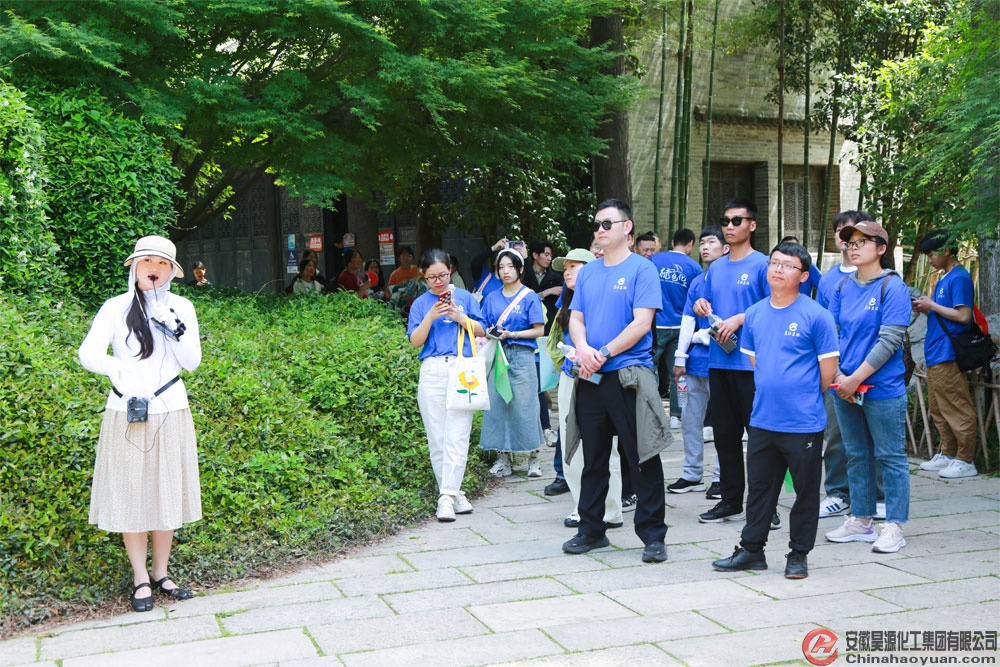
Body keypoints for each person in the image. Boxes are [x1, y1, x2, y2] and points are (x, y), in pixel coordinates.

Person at [78, 236, 202, 612]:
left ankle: (162, 572)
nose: (154, 268)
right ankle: (140, 577)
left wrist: (171, 324)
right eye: (148, 261)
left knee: (166, 493)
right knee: (131, 496)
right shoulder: (115, 307)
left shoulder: (182, 306)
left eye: (163, 263)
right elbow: (88, 353)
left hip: (171, 410)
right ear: (135, 267)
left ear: (172, 272)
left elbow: (192, 362)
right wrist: (115, 367)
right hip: (126, 412)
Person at [711, 243, 839, 579]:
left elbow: (827, 373)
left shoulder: (817, 316)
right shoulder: (754, 313)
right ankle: (752, 549)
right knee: (760, 489)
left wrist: (799, 393)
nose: (778, 269)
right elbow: (757, 362)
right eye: (774, 263)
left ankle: (798, 553)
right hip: (763, 418)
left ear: (804, 276)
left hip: (803, 421)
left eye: (787, 265)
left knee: (805, 491)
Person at [563, 198, 670, 564]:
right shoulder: (589, 273)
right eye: (596, 224)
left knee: (642, 456)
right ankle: (591, 530)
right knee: (593, 457)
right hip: (591, 376)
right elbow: (576, 318)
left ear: (627, 228)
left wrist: (604, 352)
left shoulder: (643, 269)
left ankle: (653, 536)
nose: (600, 230)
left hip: (628, 376)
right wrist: (583, 349)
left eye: (607, 224)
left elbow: (642, 323)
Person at [825, 218, 911, 553]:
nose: (854, 248)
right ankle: (861, 520)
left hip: (881, 388)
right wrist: (837, 377)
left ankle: (895, 526)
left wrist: (854, 378)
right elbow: (831, 333)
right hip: (844, 385)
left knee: (890, 456)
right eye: (851, 242)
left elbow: (889, 340)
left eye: (862, 242)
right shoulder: (843, 287)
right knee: (856, 454)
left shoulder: (893, 287)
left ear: (881, 248)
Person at [693, 198, 770, 524]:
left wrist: (740, 318)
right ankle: (730, 501)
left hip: (751, 365)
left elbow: (774, 307)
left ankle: (765, 507)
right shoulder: (716, 268)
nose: (729, 226)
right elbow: (709, 305)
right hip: (718, 361)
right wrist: (701, 304)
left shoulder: (764, 264)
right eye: (725, 221)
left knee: (761, 439)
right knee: (725, 437)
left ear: (752, 225)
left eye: (737, 220)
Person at [545, 249, 624, 529]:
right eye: (565, 268)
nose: (567, 272)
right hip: (572, 376)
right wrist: (565, 359)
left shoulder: (604, 298)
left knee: (605, 445)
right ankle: (582, 506)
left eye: (574, 267)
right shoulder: (565, 303)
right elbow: (554, 339)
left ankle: (611, 510)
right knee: (571, 442)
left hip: (601, 376)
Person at [815, 211, 885, 520]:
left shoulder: (883, 279)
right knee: (836, 435)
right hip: (837, 371)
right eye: (842, 232)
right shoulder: (829, 279)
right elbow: (823, 327)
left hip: (873, 372)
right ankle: (838, 493)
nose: (849, 241)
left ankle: (878, 496)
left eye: (857, 235)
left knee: (875, 437)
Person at [407, 249, 486, 522]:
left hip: (462, 369)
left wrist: (459, 317)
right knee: (438, 438)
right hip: (432, 371)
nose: (438, 281)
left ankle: (445, 498)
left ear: (451, 269)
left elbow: (482, 330)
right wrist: (430, 316)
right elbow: (415, 341)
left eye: (442, 275)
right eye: (432, 277)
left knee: (458, 436)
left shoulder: (464, 298)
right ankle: (454, 494)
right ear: (423, 276)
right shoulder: (420, 304)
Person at [914, 230, 979, 479]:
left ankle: (966, 460)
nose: (930, 260)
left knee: (956, 406)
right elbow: (944, 314)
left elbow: (963, 315)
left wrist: (931, 305)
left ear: (946, 251)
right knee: (939, 408)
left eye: (931, 254)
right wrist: (926, 309)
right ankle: (948, 453)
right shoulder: (944, 278)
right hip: (935, 351)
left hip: (948, 352)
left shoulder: (959, 278)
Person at [669, 226, 729, 496]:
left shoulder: (731, 280)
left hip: (724, 362)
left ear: (725, 248)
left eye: (711, 242)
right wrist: (680, 356)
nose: (705, 247)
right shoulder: (697, 281)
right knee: (690, 421)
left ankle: (721, 477)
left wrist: (703, 335)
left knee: (724, 424)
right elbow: (687, 321)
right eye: (702, 242)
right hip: (694, 363)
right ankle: (692, 474)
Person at [479, 249, 547, 478]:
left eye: (510, 266)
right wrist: (491, 331)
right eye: (501, 267)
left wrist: (513, 334)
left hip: (523, 356)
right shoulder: (491, 298)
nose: (505, 271)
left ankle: (534, 459)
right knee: (498, 406)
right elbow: (483, 328)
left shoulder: (529, 296)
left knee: (526, 406)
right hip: (499, 355)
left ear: (520, 269)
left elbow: (539, 330)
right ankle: (503, 460)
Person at [651, 228, 701, 427]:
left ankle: (651, 413)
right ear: (690, 244)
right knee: (679, 374)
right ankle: (677, 416)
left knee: (649, 369)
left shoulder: (654, 260)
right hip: (681, 328)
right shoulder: (695, 268)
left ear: (672, 242)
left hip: (655, 324)